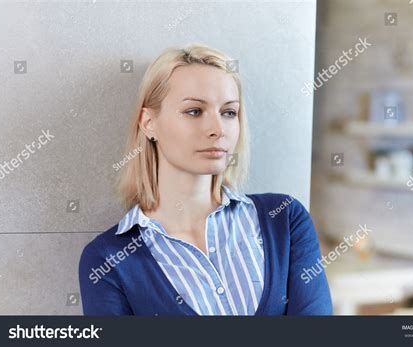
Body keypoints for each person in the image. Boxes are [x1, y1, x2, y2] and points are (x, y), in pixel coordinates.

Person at [79, 43, 332, 316]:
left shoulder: (284, 220)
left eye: (229, 112)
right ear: (149, 122)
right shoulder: (107, 260)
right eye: (194, 111)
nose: (217, 129)